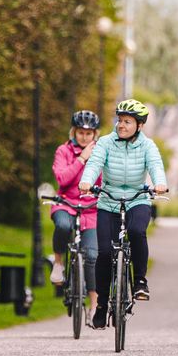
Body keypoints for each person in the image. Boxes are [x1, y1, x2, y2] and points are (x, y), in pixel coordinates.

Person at [79, 98, 168, 326]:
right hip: (108, 200)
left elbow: (156, 165)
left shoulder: (148, 146)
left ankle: (139, 282)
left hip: (137, 199)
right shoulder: (106, 143)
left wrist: (159, 183)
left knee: (138, 232)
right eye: (119, 120)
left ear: (139, 125)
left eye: (127, 122)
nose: (121, 125)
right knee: (105, 253)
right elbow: (94, 163)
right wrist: (87, 181)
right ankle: (101, 304)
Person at [50, 110, 102, 304]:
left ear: (95, 134)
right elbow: (62, 179)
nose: (84, 137)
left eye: (89, 134)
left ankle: (94, 302)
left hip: (91, 208)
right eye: (80, 133)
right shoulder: (63, 151)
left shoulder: (100, 153)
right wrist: (81, 159)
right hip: (66, 203)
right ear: (73, 132)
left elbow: (105, 181)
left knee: (92, 255)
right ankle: (58, 262)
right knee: (63, 226)